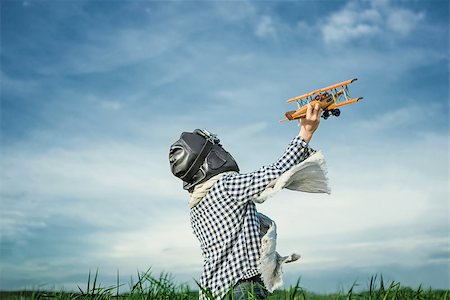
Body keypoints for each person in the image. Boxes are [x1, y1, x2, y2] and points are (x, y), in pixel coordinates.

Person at [169, 103, 322, 299]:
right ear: (210, 160)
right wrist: (306, 132)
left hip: (213, 293)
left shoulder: (196, 206)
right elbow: (275, 172)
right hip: (241, 287)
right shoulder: (226, 185)